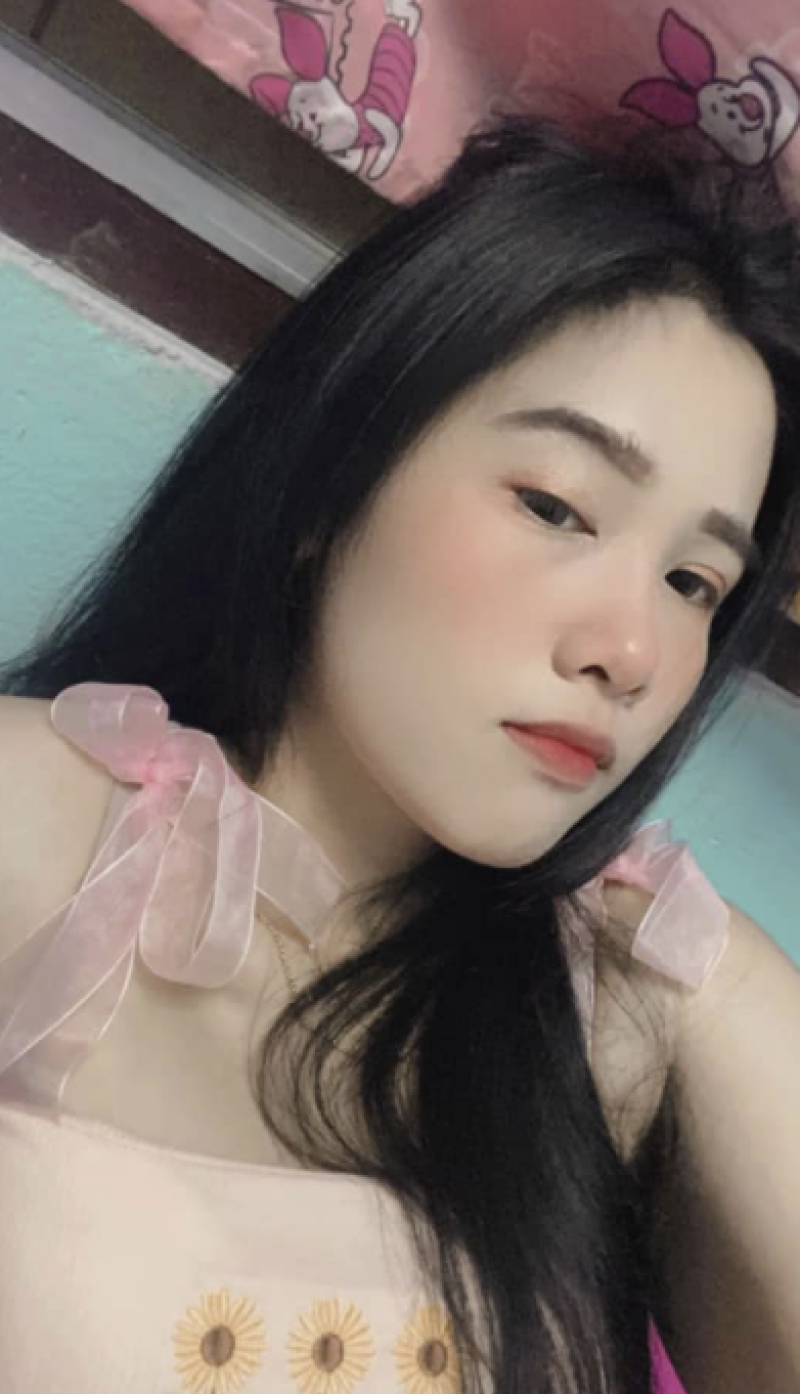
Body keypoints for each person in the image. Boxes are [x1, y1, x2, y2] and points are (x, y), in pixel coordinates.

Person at [0, 112, 799, 1394]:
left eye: (693, 581)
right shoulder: (41, 828)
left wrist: (697, 977)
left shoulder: (626, 1011)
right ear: (331, 474)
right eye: (555, 505)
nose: (631, 652)